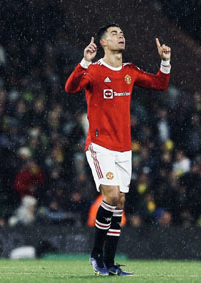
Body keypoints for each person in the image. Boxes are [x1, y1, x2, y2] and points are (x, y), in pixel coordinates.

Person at [65, 23, 171, 276]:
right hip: (100, 145)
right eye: (114, 33)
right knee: (111, 196)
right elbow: (70, 87)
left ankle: (110, 263)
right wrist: (83, 61)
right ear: (102, 42)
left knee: (120, 201)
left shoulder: (129, 71)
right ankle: (95, 255)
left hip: (124, 148)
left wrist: (165, 62)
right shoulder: (95, 71)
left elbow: (159, 84)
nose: (120, 36)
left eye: (122, 33)